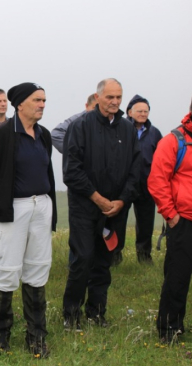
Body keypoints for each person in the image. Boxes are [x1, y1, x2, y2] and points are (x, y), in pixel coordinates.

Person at [0, 83, 57, 358]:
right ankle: (0, 336)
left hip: (40, 207)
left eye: (44, 100)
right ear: (20, 104)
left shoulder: (43, 135)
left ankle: (36, 338)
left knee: (38, 270)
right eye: (37, 100)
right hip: (12, 210)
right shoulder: (2, 134)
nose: (42, 104)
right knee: (7, 272)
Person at [62, 78, 140, 331]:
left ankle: (96, 313)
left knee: (104, 261)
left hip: (114, 210)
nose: (115, 102)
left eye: (119, 97)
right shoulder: (80, 126)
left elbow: (136, 169)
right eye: (110, 97)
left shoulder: (128, 129)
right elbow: (71, 170)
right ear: (98, 98)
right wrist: (96, 197)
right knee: (82, 259)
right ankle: (71, 316)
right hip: (85, 207)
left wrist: (122, 200)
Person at [148, 98, 192, 344]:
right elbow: (157, 180)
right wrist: (171, 215)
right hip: (183, 220)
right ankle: (169, 329)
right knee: (178, 276)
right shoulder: (173, 141)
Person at [124, 95, 162, 264]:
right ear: (130, 112)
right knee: (118, 221)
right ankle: (114, 255)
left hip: (147, 183)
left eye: (146, 111)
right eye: (139, 111)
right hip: (124, 183)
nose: (143, 114)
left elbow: (161, 158)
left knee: (146, 222)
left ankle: (144, 256)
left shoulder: (154, 133)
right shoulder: (121, 128)